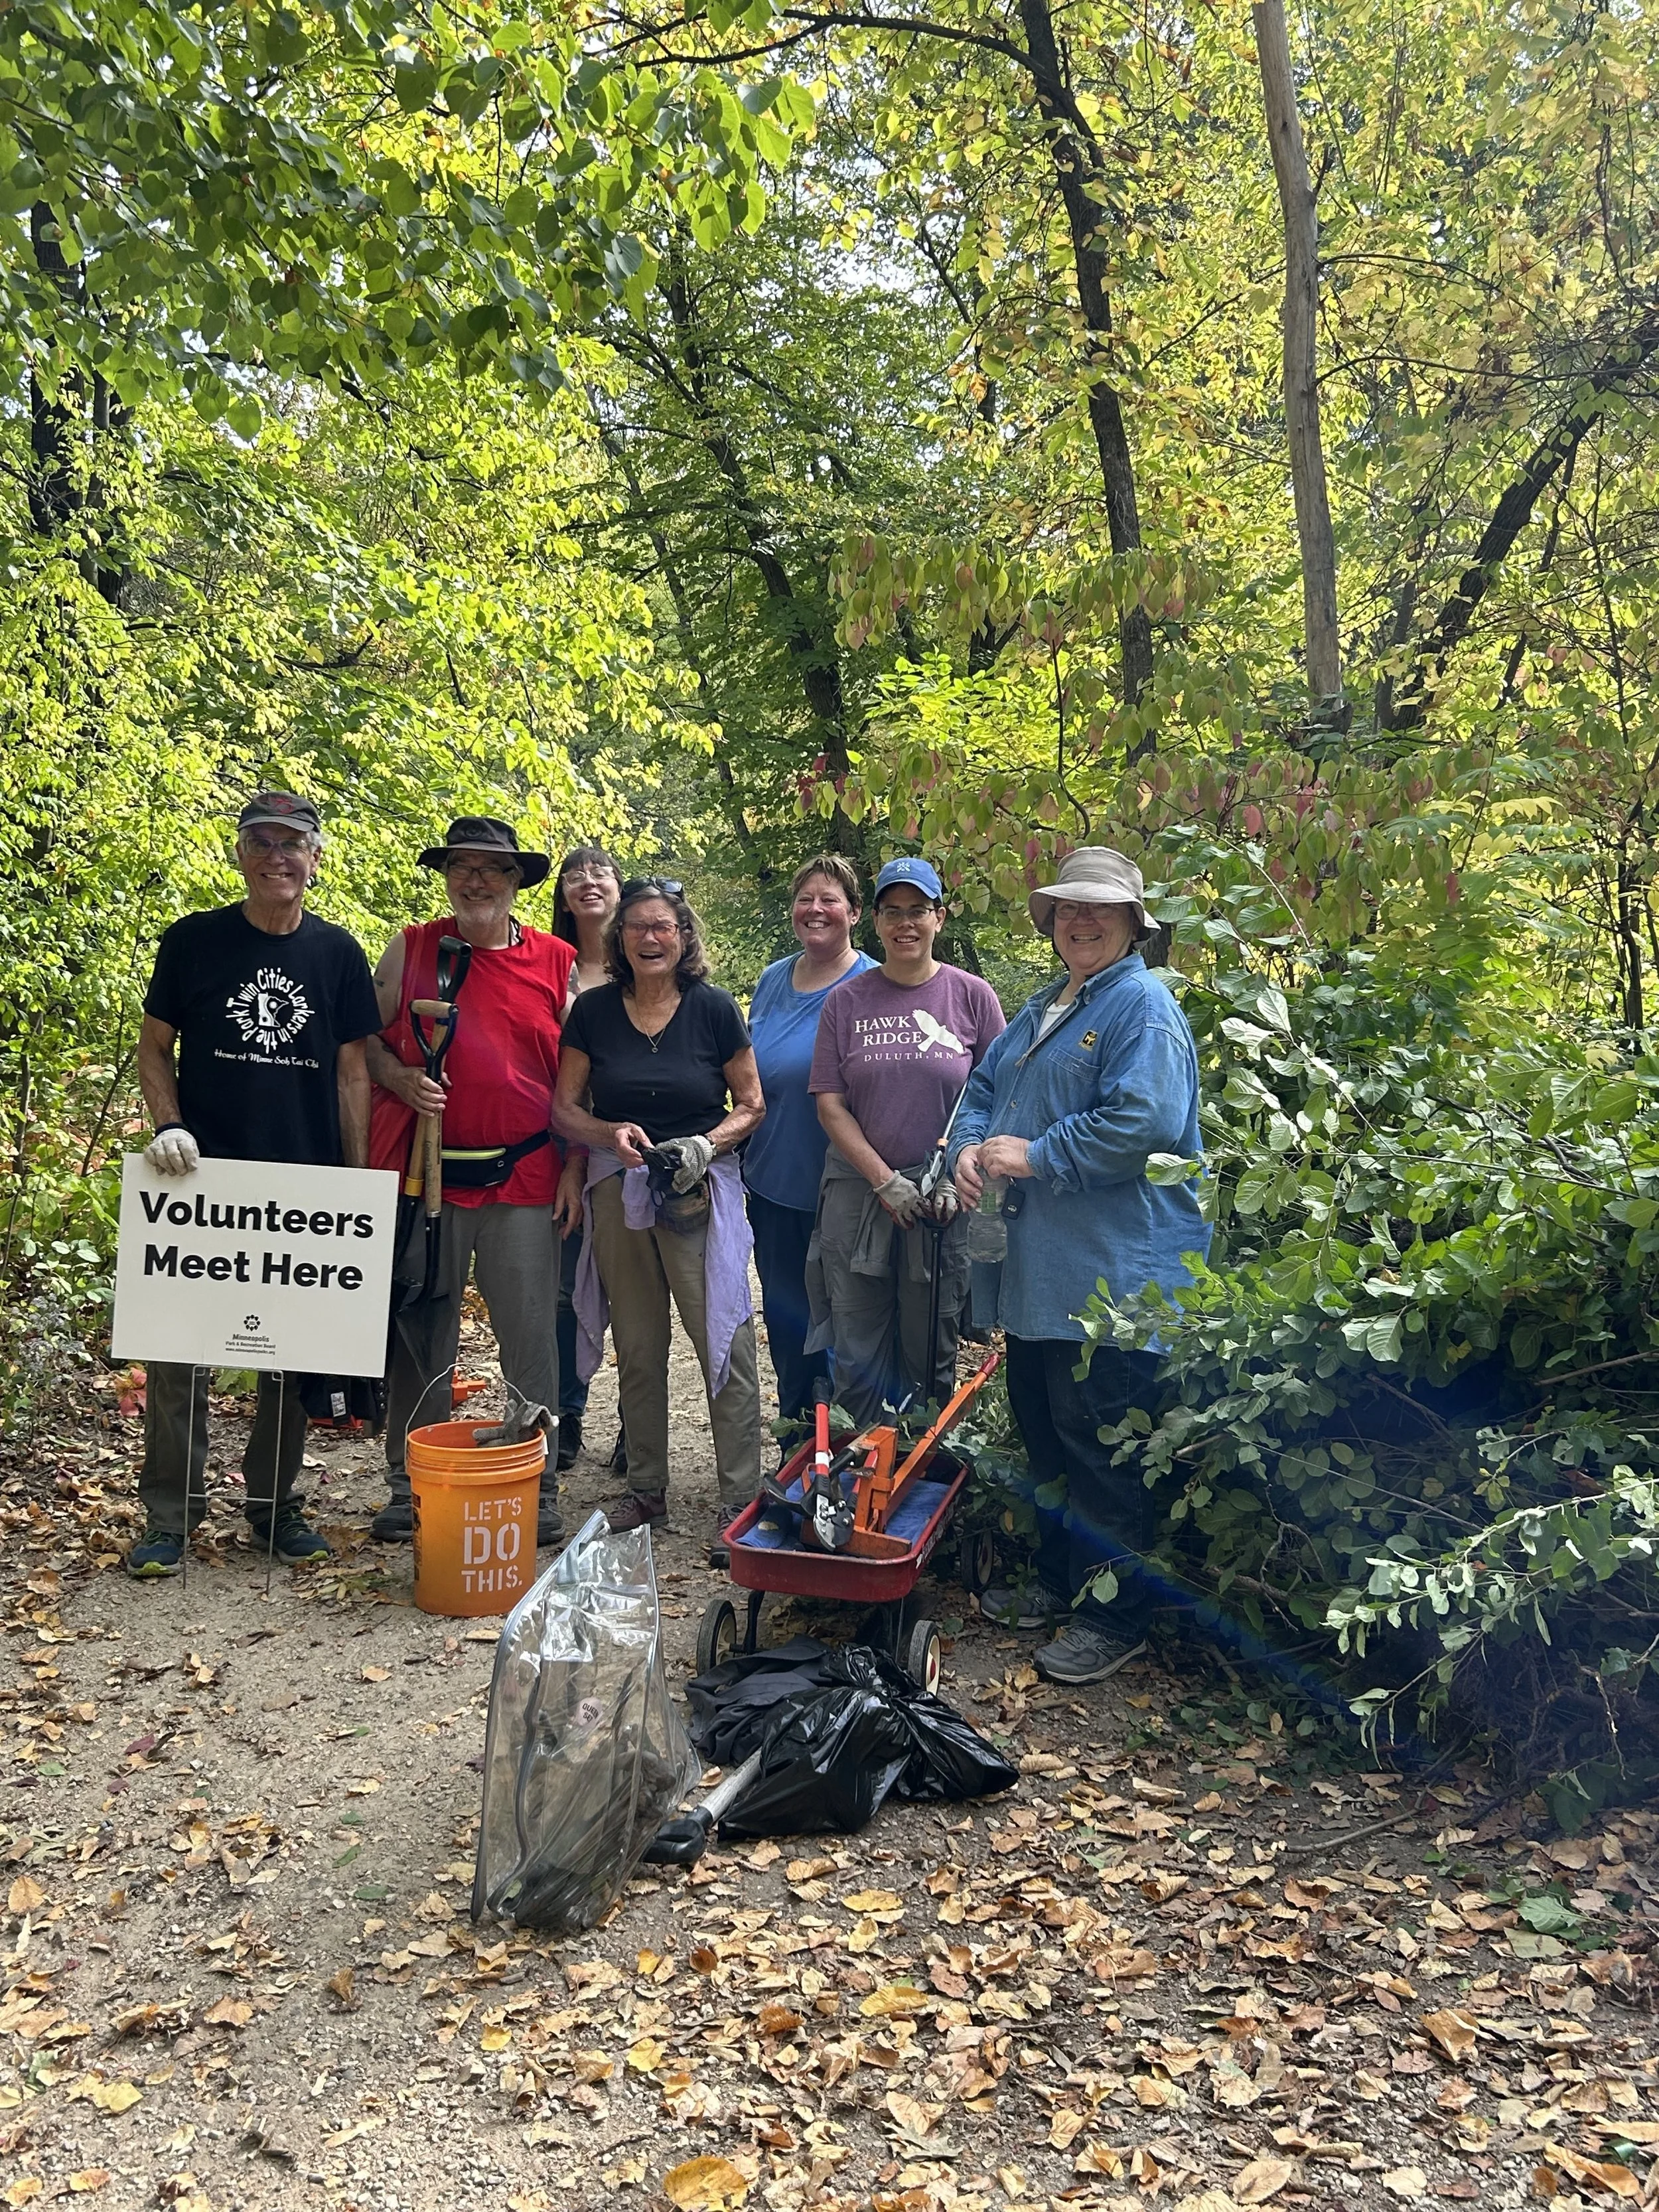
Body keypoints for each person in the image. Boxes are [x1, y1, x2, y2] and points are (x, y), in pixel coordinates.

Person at [950, 846, 1209, 1686]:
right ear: (1050, 924)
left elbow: (1145, 1121)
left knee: (1103, 1451)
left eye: (1099, 910)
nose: (1081, 921)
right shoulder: (1042, 1010)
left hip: (1114, 1283)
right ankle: (1062, 1580)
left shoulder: (1142, 1006)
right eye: (1067, 910)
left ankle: (1115, 1615)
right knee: (1047, 1439)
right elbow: (981, 1093)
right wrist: (962, 1151)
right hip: (1039, 1279)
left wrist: (1038, 1153)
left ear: (1135, 924)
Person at [129, 791, 382, 1578]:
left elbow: (351, 1072)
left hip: (300, 1186)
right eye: (262, 841)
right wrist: (168, 1124)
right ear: (241, 854)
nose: (279, 855)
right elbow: (153, 1047)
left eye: (294, 842)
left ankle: (275, 1510)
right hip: (198, 1181)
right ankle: (170, 1519)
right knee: (178, 1357)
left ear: (316, 857)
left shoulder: (337, 954)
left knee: (289, 1358)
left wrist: (355, 1180)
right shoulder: (194, 943)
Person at [367, 817, 575, 1548]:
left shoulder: (556, 961)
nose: (477, 880)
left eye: (494, 869)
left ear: (517, 881)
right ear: (447, 875)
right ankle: (409, 1482)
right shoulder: (413, 948)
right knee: (422, 1331)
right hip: (427, 1180)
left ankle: (535, 1481)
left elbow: (578, 1082)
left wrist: (574, 1167)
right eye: (464, 866)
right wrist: (399, 1076)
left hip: (523, 1173)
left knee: (529, 1340)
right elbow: (361, 1042)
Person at [554, 876, 764, 1565]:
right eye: (637, 927)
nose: (650, 937)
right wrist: (606, 1132)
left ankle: (740, 1497)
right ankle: (646, 1487)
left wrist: (708, 1143)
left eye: (662, 927)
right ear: (619, 939)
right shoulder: (591, 1012)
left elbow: (751, 1103)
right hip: (620, 1189)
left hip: (697, 1189)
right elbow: (564, 1108)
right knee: (639, 1345)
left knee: (722, 1341)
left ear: (683, 937)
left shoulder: (713, 1010)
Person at [806, 856, 1005, 1427]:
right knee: (857, 1343)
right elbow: (830, 1105)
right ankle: (854, 1474)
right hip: (859, 1195)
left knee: (930, 1345)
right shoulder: (846, 1001)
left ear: (939, 917)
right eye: (892, 911)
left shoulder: (972, 997)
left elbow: (998, 1097)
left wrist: (957, 1173)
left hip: (943, 1203)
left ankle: (923, 1472)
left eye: (917, 909)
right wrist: (884, 1180)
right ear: (875, 921)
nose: (905, 923)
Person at [743, 855, 875, 1431]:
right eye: (805, 898)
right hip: (773, 1184)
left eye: (830, 898)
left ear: (854, 912)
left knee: (848, 1327)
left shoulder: (873, 984)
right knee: (790, 1323)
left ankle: (848, 1456)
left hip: (846, 1190)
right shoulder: (773, 980)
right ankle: (796, 1451)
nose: (815, 909)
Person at [550, 846, 624, 1473]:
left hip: (627, 1146)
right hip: (554, 1143)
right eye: (574, 874)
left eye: (599, 871)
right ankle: (565, 1414)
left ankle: (637, 1421)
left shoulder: (652, 966)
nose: (588, 882)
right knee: (563, 1289)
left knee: (633, 1290)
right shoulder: (547, 965)